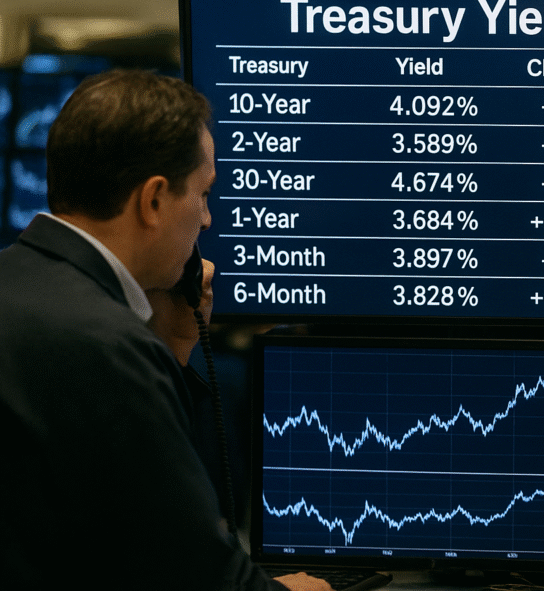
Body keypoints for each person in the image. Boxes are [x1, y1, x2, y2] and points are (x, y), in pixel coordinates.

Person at [0, 69, 330, 590]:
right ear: (153, 200)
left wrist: (172, 348)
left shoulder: (24, 289)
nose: (206, 221)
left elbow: (111, 517)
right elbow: (194, 570)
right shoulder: (108, 345)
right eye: (203, 194)